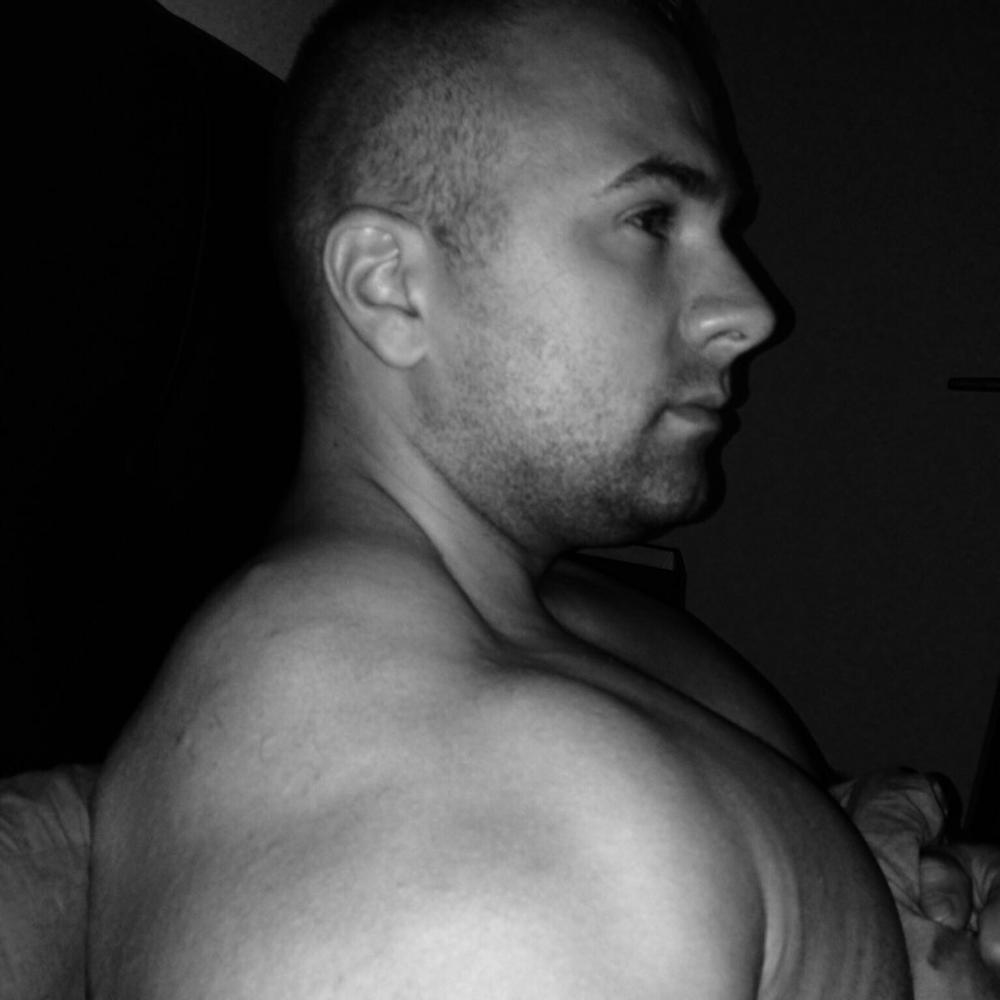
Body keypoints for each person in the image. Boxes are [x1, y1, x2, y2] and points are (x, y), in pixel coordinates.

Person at [88, 0, 999, 996]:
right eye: (651, 219)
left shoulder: (551, 615)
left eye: (718, 228)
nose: (750, 311)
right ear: (390, 285)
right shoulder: (481, 846)